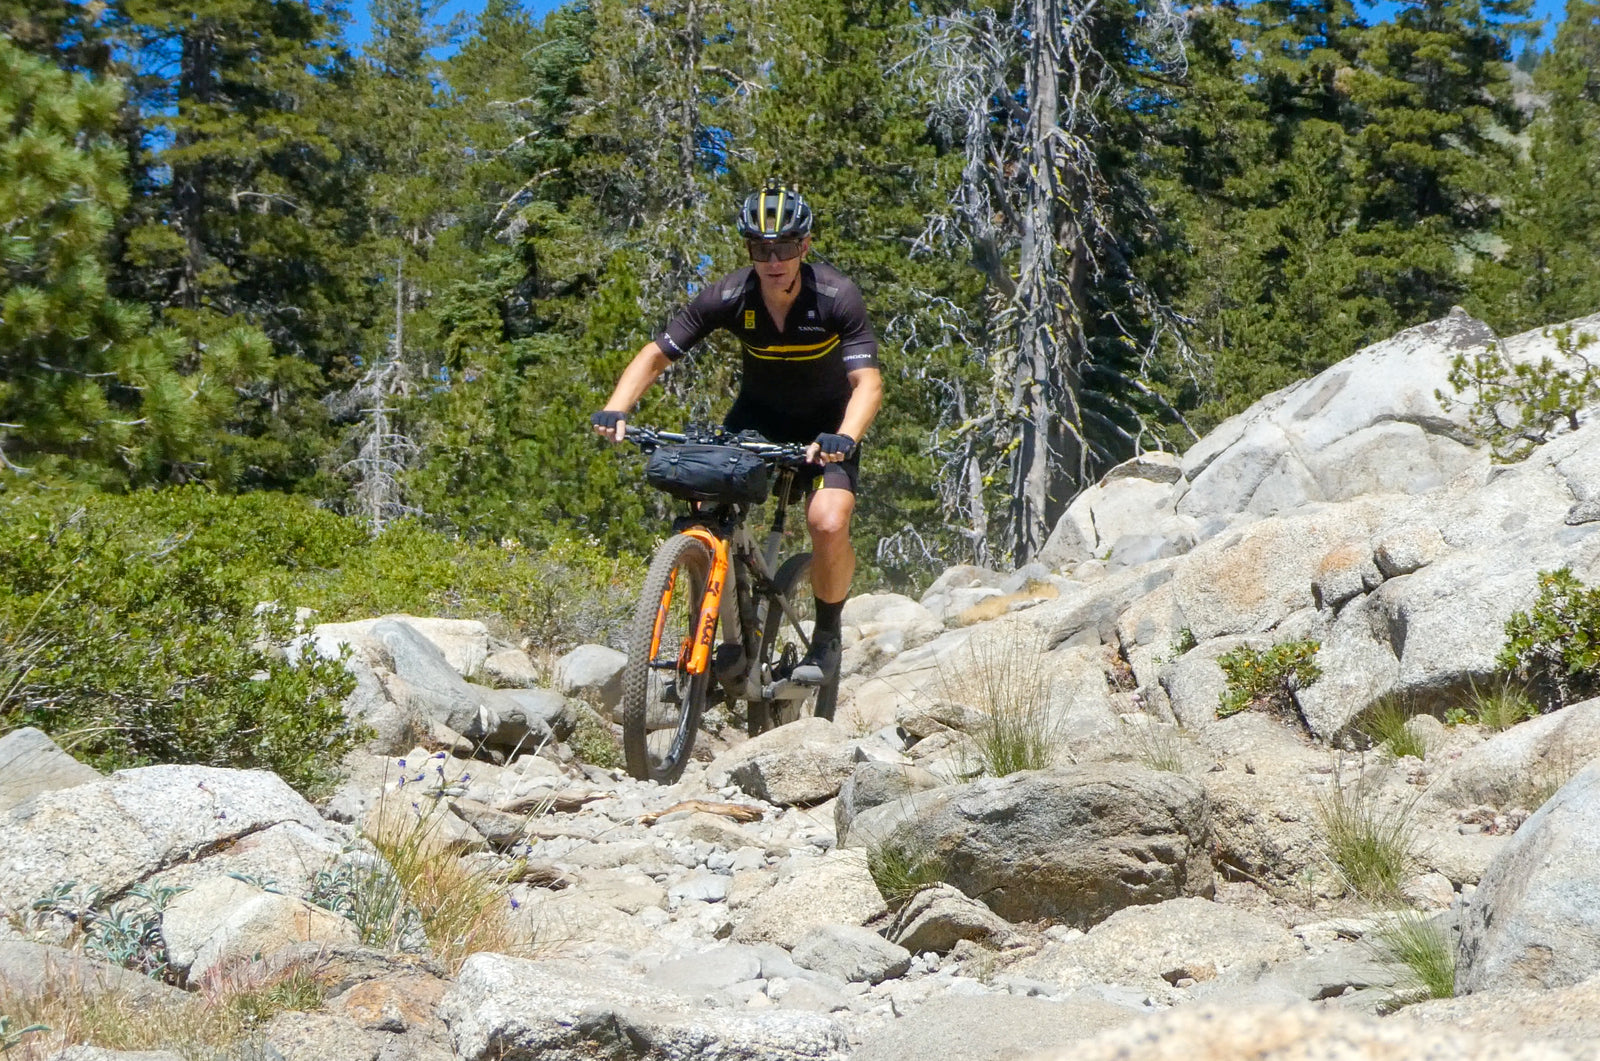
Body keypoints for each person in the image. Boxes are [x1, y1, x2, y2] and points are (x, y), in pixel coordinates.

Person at [592, 182, 883, 686]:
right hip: (756, 418)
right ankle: (719, 632)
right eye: (761, 248)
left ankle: (828, 636)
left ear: (805, 247)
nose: (774, 259)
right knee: (702, 505)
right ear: (749, 249)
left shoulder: (836, 297)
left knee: (829, 521)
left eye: (786, 247)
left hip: (829, 426)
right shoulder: (729, 295)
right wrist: (617, 406)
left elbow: (868, 383)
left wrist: (845, 437)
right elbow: (658, 353)